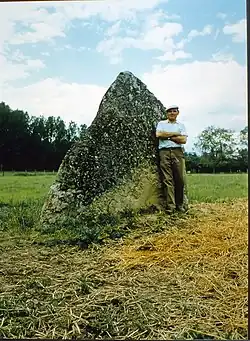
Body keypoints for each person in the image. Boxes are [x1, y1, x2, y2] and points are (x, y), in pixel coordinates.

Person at [156, 105, 188, 214]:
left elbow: (183, 140)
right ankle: (171, 207)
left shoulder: (181, 125)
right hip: (164, 152)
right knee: (167, 179)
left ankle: (180, 205)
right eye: (170, 111)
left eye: (174, 111)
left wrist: (167, 136)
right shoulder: (161, 124)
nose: (172, 113)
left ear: (178, 113)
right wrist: (175, 135)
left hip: (177, 152)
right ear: (167, 113)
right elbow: (159, 134)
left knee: (179, 179)